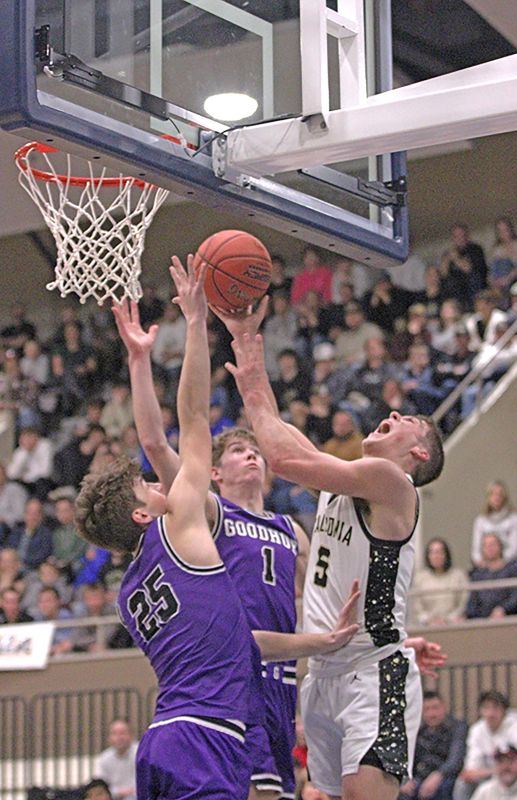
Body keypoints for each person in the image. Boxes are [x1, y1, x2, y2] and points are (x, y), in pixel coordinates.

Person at [101, 260, 357, 800]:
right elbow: (162, 439)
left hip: (274, 674)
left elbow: (313, 598)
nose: (251, 455)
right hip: (234, 682)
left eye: (252, 449)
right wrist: (183, 334)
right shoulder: (205, 514)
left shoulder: (291, 528)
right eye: (237, 450)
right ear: (214, 473)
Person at [216, 306, 446, 800]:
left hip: (371, 671)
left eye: (406, 421)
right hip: (323, 672)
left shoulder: (392, 481)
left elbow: (282, 457)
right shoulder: (343, 482)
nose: (392, 415)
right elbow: (279, 433)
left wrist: (252, 380)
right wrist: (248, 357)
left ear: (419, 453)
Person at [453, 690, 517, 800]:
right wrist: (490, 771)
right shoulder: (476, 730)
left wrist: (496, 770)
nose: (490, 713)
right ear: (480, 711)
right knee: (462, 784)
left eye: (495, 708)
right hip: (487, 776)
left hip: (515, 777)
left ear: (504, 710)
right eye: (486, 708)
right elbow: (471, 768)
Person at [400, 691, 467, 799]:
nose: (432, 714)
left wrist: (438, 775)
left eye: (435, 708)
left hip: (447, 776)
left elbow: (455, 760)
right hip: (420, 776)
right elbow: (407, 758)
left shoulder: (457, 728)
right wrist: (405, 779)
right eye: (427, 709)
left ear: (444, 707)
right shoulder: (418, 731)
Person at [411, 538, 468, 626]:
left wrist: (448, 620)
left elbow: (464, 603)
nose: (436, 556)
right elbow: (416, 608)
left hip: (454, 625)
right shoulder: (420, 578)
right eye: (432, 553)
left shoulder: (458, 576)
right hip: (427, 626)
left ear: (446, 555)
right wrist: (429, 620)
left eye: (439, 552)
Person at [465, 533, 517, 620]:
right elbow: (472, 604)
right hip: (482, 621)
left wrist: (503, 609)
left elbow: (516, 596)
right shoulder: (477, 575)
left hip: (508, 619)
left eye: (492, 544)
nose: (489, 548)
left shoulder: (512, 570)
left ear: (500, 546)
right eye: (486, 546)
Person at [471, 480, 517, 569]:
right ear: (488, 497)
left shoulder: (514, 519)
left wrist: (502, 561)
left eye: (500, 494)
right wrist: (482, 562)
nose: (496, 497)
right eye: (493, 494)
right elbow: (476, 549)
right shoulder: (480, 521)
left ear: (505, 497)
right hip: (484, 566)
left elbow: (515, 549)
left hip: (508, 564)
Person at [95, 719, 138, 800]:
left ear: (131, 735)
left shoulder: (140, 754)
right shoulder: (105, 758)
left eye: (122, 733)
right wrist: (117, 792)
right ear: (109, 738)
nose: (119, 737)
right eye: (114, 734)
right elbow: (101, 786)